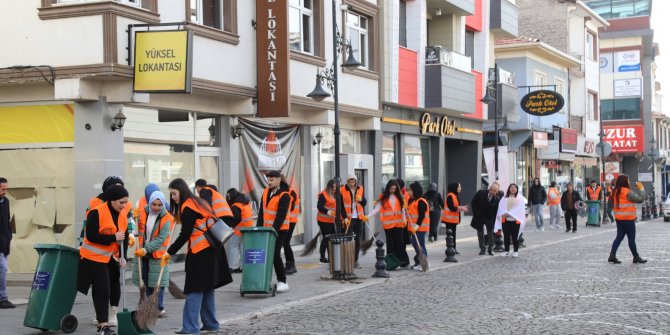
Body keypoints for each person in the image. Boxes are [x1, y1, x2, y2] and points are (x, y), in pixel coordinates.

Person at [166, 178, 232, 334]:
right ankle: (211, 324)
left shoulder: (188, 207)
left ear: (181, 191)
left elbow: (185, 234)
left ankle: (190, 328)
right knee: (207, 288)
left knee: (194, 290)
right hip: (211, 250)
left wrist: (169, 252)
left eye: (174, 194)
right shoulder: (197, 202)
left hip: (201, 251)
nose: (173, 197)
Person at [77, 185, 132, 335]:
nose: (124, 205)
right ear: (112, 201)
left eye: (126, 202)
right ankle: (103, 326)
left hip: (108, 258)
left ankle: (104, 324)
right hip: (92, 258)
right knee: (103, 291)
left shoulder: (122, 215)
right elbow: (92, 236)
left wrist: (123, 256)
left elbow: (124, 238)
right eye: (121, 202)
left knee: (107, 289)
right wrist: (113, 237)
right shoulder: (96, 213)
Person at [132, 190, 174, 316]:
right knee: (145, 280)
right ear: (150, 203)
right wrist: (133, 219)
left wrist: (146, 249)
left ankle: (158, 307)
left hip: (157, 254)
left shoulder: (167, 218)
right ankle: (149, 306)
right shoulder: (142, 212)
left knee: (157, 283)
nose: (156, 207)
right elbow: (136, 228)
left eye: (159, 205)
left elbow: (161, 239)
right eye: (154, 204)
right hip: (143, 253)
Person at [256, 171, 292, 292]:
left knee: (275, 254)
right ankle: (264, 280)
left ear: (279, 180)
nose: (269, 182)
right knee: (266, 255)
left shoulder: (284, 195)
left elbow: (280, 216)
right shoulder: (266, 192)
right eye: (268, 180)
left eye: (272, 180)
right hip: (267, 229)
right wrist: (258, 228)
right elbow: (262, 212)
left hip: (280, 230)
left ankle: (283, 281)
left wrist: (273, 230)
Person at [368, 180, 410, 268]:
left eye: (394, 189)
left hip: (398, 224)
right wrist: (367, 217)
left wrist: (405, 220)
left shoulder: (400, 197)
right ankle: (392, 263)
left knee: (400, 243)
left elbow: (403, 211)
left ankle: (403, 262)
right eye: (391, 189)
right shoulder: (383, 197)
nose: (393, 190)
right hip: (388, 225)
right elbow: (377, 209)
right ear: (388, 188)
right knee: (390, 244)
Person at [609, 175, 647, 264]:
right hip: (628, 219)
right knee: (631, 239)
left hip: (619, 219)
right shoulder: (627, 192)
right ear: (625, 182)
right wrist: (641, 188)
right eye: (628, 180)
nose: (629, 182)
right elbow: (640, 199)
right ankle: (636, 257)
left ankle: (612, 255)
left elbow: (611, 204)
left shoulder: (615, 191)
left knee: (619, 237)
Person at [316, 179, 345, 263]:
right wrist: (327, 212)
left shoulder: (335, 194)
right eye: (334, 186)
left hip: (331, 220)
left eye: (337, 187)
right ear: (330, 186)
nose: (336, 188)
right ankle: (322, 257)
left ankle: (330, 256)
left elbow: (339, 208)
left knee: (331, 238)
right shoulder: (323, 195)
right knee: (326, 238)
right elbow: (319, 206)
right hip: (323, 220)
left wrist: (342, 218)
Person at [341, 174, 367, 268]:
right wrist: (344, 218)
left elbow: (364, 203)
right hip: (348, 219)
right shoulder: (342, 190)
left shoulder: (360, 189)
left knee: (357, 240)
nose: (352, 184)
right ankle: (347, 260)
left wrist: (360, 199)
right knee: (348, 239)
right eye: (350, 182)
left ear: (356, 181)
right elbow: (340, 206)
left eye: (353, 182)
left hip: (358, 218)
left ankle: (355, 260)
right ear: (347, 182)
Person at [470, 181, 503, 256]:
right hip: (479, 216)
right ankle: (482, 249)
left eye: (495, 191)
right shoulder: (481, 193)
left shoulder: (497, 199)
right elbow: (473, 202)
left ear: (497, 191)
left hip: (489, 217)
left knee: (490, 234)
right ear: (489, 188)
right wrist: (476, 213)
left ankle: (490, 249)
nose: (492, 192)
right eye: (491, 190)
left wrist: (495, 221)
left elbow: (496, 212)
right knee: (480, 233)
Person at [494, 183, 527, 257]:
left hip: (515, 221)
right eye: (511, 187)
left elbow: (520, 209)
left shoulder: (520, 198)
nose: (513, 189)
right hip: (505, 220)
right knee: (506, 236)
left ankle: (515, 251)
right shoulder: (504, 198)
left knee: (515, 236)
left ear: (517, 189)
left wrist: (510, 214)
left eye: (515, 187)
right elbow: (501, 207)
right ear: (509, 189)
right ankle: (506, 250)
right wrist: (503, 213)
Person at [226, 188, 254, 273]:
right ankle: (242, 267)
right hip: (247, 228)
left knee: (233, 246)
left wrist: (230, 224)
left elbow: (236, 219)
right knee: (242, 248)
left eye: (228, 196)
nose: (227, 198)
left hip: (239, 229)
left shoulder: (236, 205)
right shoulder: (245, 202)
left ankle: (232, 266)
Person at [407, 182, 429, 270]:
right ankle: (419, 262)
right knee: (415, 244)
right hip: (413, 228)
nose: (408, 192)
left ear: (414, 191)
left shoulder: (421, 201)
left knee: (420, 245)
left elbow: (422, 216)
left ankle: (424, 264)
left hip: (420, 227)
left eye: (410, 190)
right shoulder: (411, 200)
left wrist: (416, 226)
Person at [441, 182, 468, 255]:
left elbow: (455, 207)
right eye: (459, 186)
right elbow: (452, 208)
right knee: (450, 235)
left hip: (453, 220)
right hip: (449, 220)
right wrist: (461, 208)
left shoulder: (455, 195)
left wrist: (461, 208)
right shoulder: (450, 196)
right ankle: (450, 249)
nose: (460, 188)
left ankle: (453, 248)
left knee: (453, 235)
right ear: (454, 188)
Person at [0, 178, 14, 309]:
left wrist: (9, 237)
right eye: (3, 189)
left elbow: (7, 221)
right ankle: (2, 298)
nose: (5, 191)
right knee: (3, 268)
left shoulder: (6, 202)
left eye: (6, 189)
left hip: (4, 242)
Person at [283, 178, 300, 275]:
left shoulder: (290, 192)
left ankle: (291, 265)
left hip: (291, 221)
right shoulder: (287, 191)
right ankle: (289, 264)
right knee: (285, 243)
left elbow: (289, 207)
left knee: (286, 243)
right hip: (288, 221)